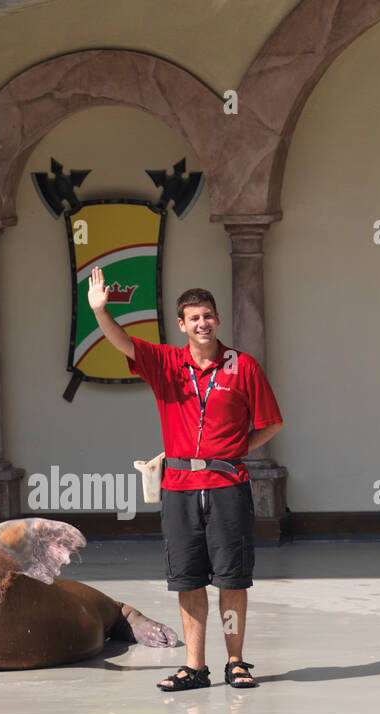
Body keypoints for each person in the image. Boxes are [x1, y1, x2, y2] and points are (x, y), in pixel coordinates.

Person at [87, 266, 283, 690]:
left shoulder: (242, 366)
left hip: (228, 487)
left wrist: (236, 451)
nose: (202, 323)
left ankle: (236, 662)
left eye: (208, 315)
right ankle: (195, 666)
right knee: (188, 579)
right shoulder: (166, 363)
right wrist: (101, 313)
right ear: (182, 325)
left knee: (232, 579)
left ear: (218, 319)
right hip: (178, 488)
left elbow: (271, 423)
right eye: (194, 318)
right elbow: (124, 342)